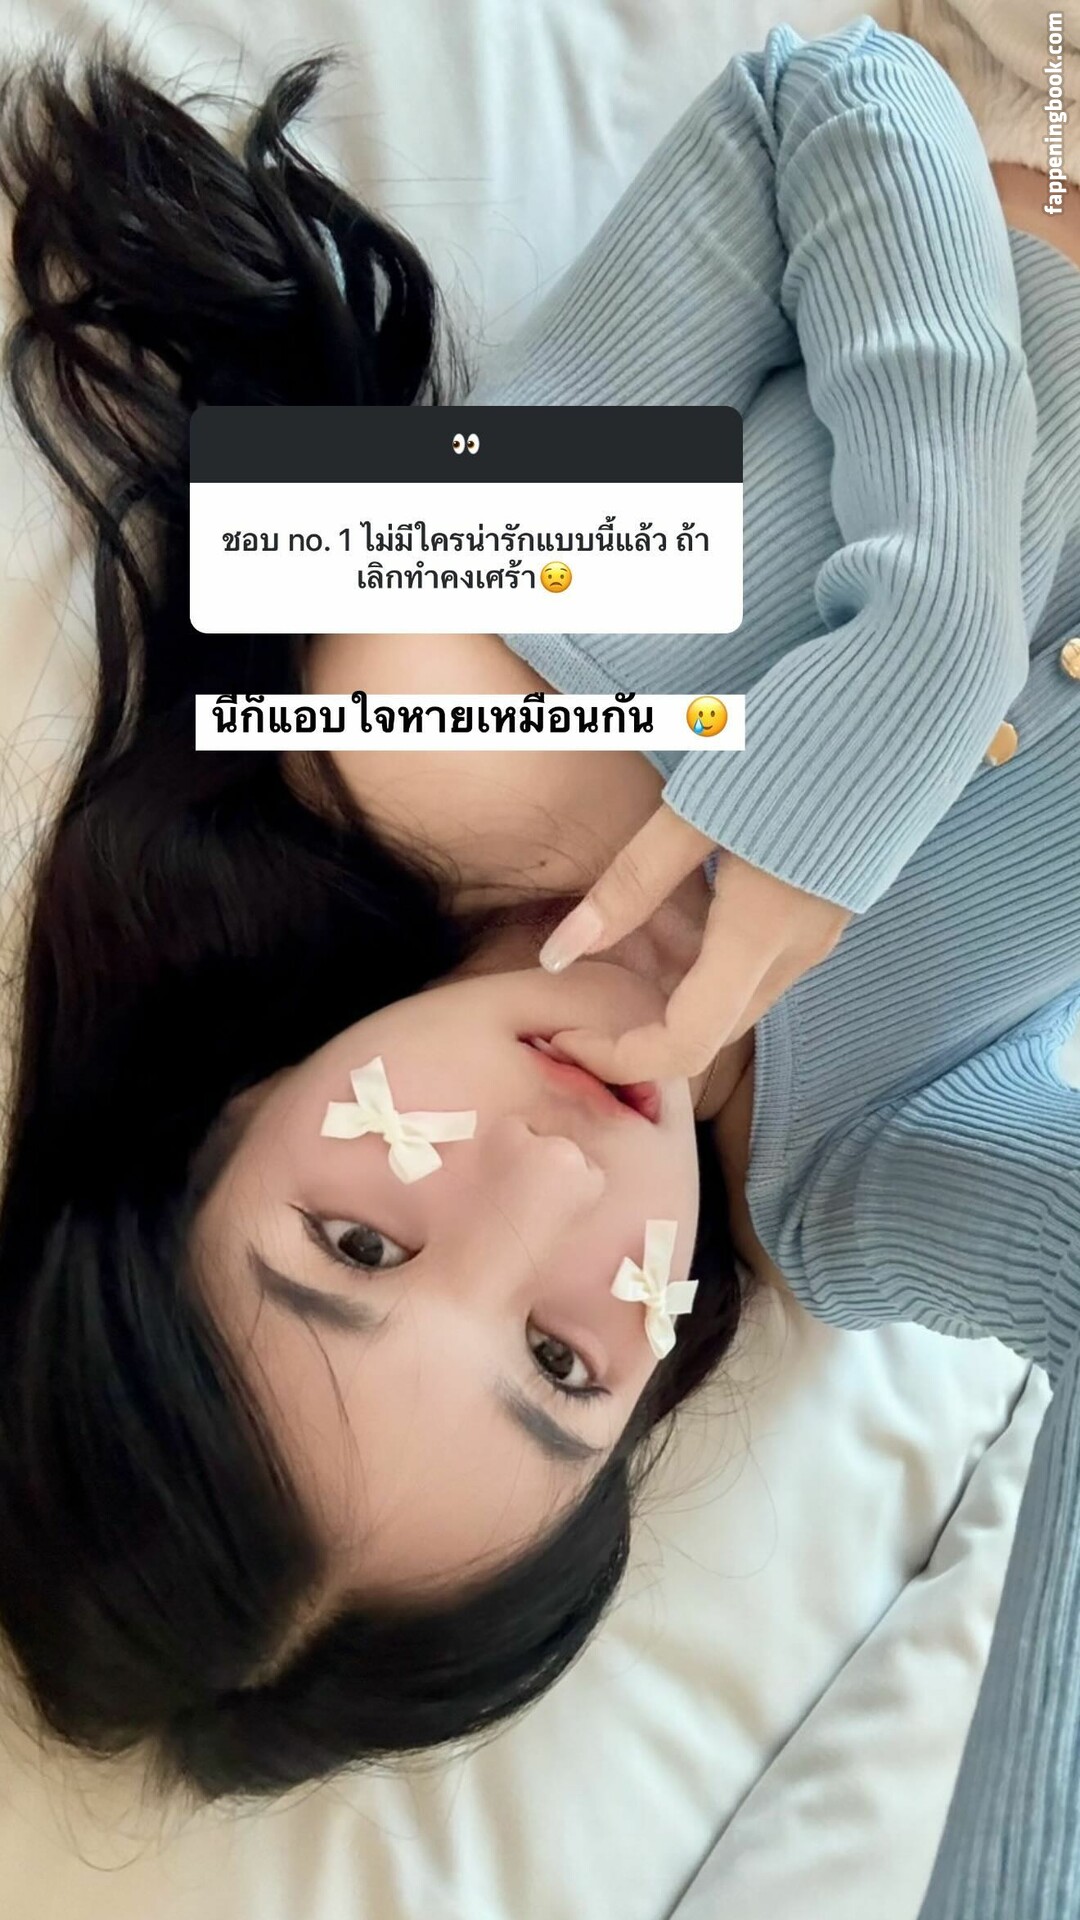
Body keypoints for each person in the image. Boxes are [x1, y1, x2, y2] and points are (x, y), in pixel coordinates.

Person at [0, 18, 1075, 1920]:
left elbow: (825, 99)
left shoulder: (405, 684)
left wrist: (926, 632)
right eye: (565, 1362)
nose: (554, 1188)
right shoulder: (852, 1182)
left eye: (361, 1244)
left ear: (216, 1125)